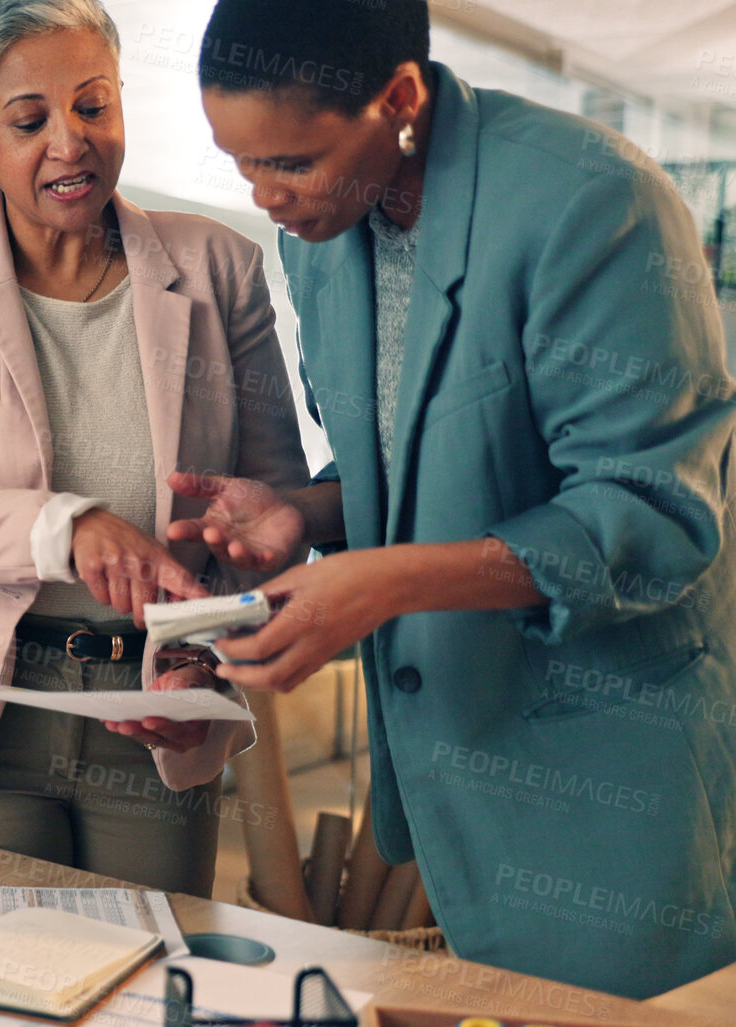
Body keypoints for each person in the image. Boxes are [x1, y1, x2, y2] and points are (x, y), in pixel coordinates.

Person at [184, 0, 736, 995]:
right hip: (446, 767)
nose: (264, 196)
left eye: (291, 163)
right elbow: (404, 473)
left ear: (398, 97)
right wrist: (300, 517)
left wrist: (382, 585)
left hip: (608, 772)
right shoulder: (321, 231)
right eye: (240, 164)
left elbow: (655, 515)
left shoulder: (595, 201)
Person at [0, 0, 309, 895]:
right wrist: (70, 525)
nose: (71, 141)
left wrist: (202, 656)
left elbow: (266, 510)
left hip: (152, 715)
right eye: (28, 121)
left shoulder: (219, 268)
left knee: (148, 979)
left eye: (93, 106)